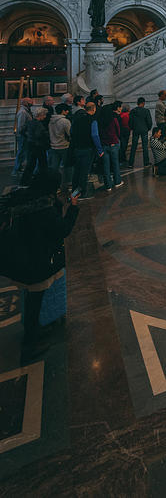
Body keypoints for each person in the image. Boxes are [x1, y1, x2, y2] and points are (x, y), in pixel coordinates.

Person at [1, 171, 79, 361]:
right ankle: (30, 343)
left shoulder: (26, 197)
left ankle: (34, 329)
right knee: (34, 301)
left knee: (30, 298)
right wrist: (73, 208)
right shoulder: (42, 210)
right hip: (34, 263)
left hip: (18, 258)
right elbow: (62, 229)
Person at [70, 101, 104, 200]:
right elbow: (95, 135)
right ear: (94, 109)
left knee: (77, 170)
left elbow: (71, 131)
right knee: (84, 172)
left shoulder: (77, 120)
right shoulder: (93, 121)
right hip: (87, 148)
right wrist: (99, 149)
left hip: (77, 148)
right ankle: (81, 193)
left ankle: (74, 191)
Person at [97, 101, 123, 191]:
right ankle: (117, 181)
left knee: (106, 166)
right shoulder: (113, 119)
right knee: (115, 164)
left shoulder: (99, 121)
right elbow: (118, 131)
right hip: (113, 143)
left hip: (104, 144)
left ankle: (108, 185)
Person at [21, 108, 50, 184]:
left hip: (30, 144)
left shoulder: (30, 122)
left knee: (31, 164)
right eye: (44, 115)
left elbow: (22, 131)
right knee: (43, 164)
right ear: (40, 115)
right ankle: (43, 180)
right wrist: (46, 135)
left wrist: (29, 137)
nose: (45, 117)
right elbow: (39, 134)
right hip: (39, 146)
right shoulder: (39, 124)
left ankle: (24, 181)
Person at [48, 103, 71, 183]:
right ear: (63, 111)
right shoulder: (65, 121)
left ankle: (55, 184)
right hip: (64, 145)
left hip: (53, 146)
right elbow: (69, 133)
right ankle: (68, 182)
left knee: (55, 167)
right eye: (67, 110)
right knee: (67, 166)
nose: (68, 112)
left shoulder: (51, 120)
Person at [128, 97, 152, 167]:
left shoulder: (133, 111)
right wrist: (148, 128)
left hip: (135, 130)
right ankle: (146, 163)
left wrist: (132, 128)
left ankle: (131, 163)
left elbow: (130, 122)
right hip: (144, 130)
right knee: (145, 147)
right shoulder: (146, 111)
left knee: (133, 147)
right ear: (143, 103)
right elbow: (149, 122)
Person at [12, 96, 33, 175]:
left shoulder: (26, 111)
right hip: (23, 136)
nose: (32, 103)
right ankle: (16, 169)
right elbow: (21, 126)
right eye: (30, 102)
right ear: (25, 103)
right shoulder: (23, 112)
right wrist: (26, 134)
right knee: (21, 152)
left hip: (25, 135)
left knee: (23, 152)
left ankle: (20, 167)